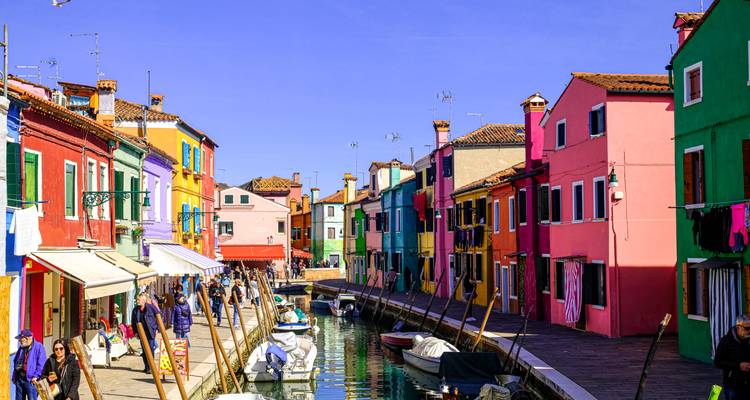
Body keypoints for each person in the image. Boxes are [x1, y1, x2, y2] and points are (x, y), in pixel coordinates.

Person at [714, 314, 750, 399]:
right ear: (738, 327)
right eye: (747, 328)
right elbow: (717, 362)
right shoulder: (726, 341)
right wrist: (738, 366)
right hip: (733, 385)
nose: (749, 331)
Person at [12, 329, 46, 400]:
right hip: (19, 378)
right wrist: (14, 376)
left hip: (31, 380)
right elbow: (16, 361)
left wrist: (36, 376)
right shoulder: (21, 347)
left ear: (28, 338)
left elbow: (41, 364)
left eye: (21, 339)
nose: (19, 341)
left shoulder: (39, 347)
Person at [131, 293, 159, 374]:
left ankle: (151, 367)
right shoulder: (135, 310)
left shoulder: (151, 307)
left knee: (150, 349)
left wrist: (157, 328)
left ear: (144, 300)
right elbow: (133, 322)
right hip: (141, 333)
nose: (137, 301)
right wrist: (135, 332)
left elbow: (158, 317)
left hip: (150, 331)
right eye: (137, 300)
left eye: (138, 300)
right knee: (144, 350)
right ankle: (146, 366)